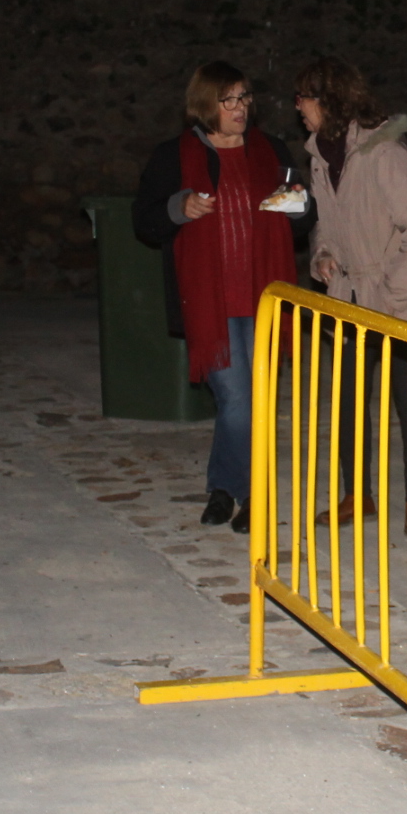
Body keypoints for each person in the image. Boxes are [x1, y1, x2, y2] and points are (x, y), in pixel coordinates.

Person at [135, 62, 309, 534]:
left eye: (244, 97)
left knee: (251, 399)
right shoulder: (173, 155)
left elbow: (302, 217)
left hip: (263, 294)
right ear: (205, 104)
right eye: (229, 99)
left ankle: (224, 489)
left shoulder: (270, 150)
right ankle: (253, 493)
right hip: (210, 300)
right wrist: (180, 206)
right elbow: (144, 220)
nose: (240, 108)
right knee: (237, 398)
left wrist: (294, 203)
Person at [296, 58, 407, 535]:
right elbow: (327, 222)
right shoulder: (320, 156)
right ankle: (357, 495)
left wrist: (391, 297)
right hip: (350, 295)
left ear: (327, 101)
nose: (297, 107)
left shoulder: (384, 153)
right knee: (348, 397)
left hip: (402, 298)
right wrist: (323, 255)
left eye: (303, 97)